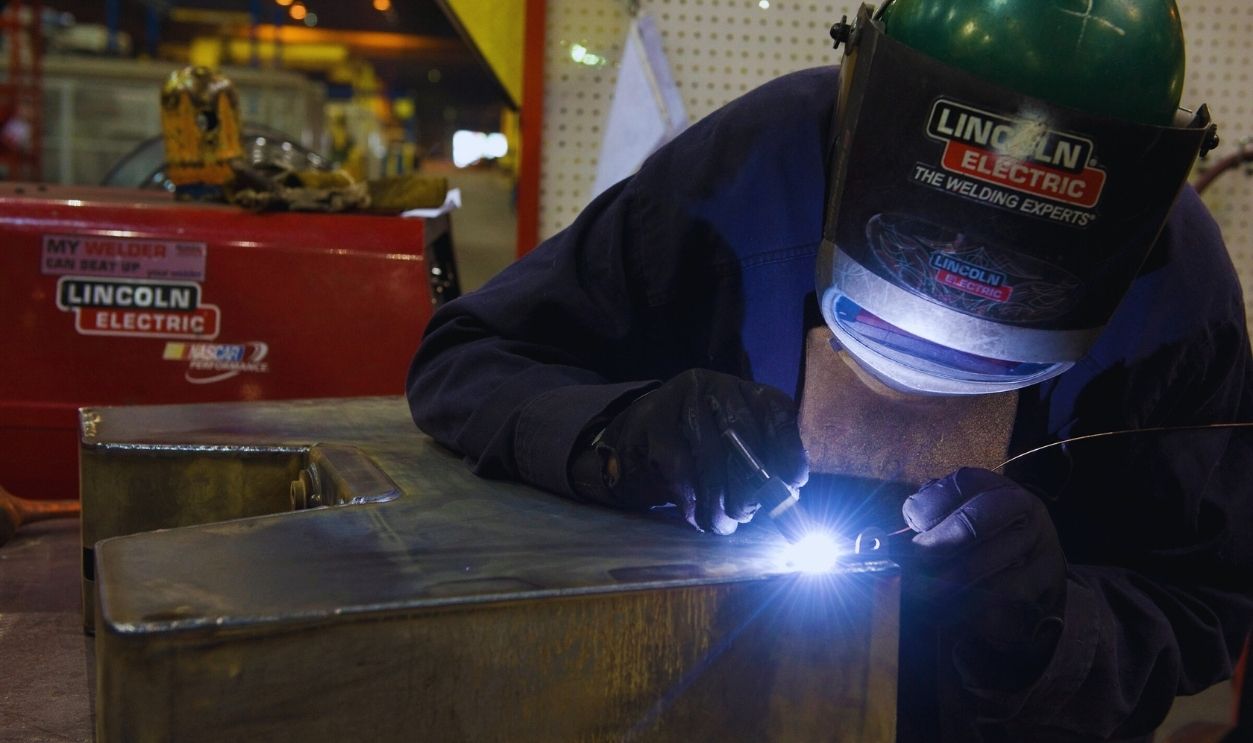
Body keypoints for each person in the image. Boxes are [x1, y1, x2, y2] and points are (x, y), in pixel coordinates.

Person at [408, 1, 1253, 739]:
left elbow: (1203, 600)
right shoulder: (749, 166)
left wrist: (1049, 624)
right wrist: (620, 433)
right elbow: (468, 357)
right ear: (862, 120)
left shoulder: (1174, 289)